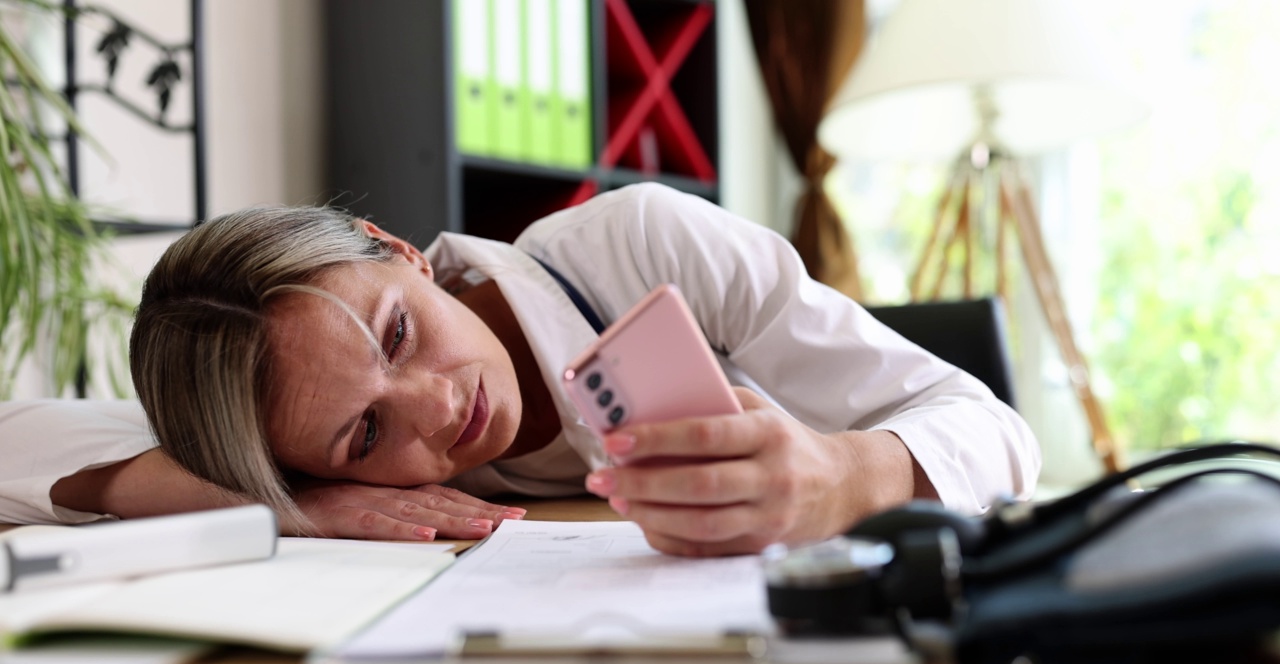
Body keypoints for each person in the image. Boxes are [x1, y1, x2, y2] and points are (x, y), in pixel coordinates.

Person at [0, 183, 1040, 556]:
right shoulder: (291, 447)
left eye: (398, 335)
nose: (439, 410)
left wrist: (839, 476)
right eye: (364, 436)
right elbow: (16, 441)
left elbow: (993, 427)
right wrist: (289, 506)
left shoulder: (642, 249)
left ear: (395, 248)